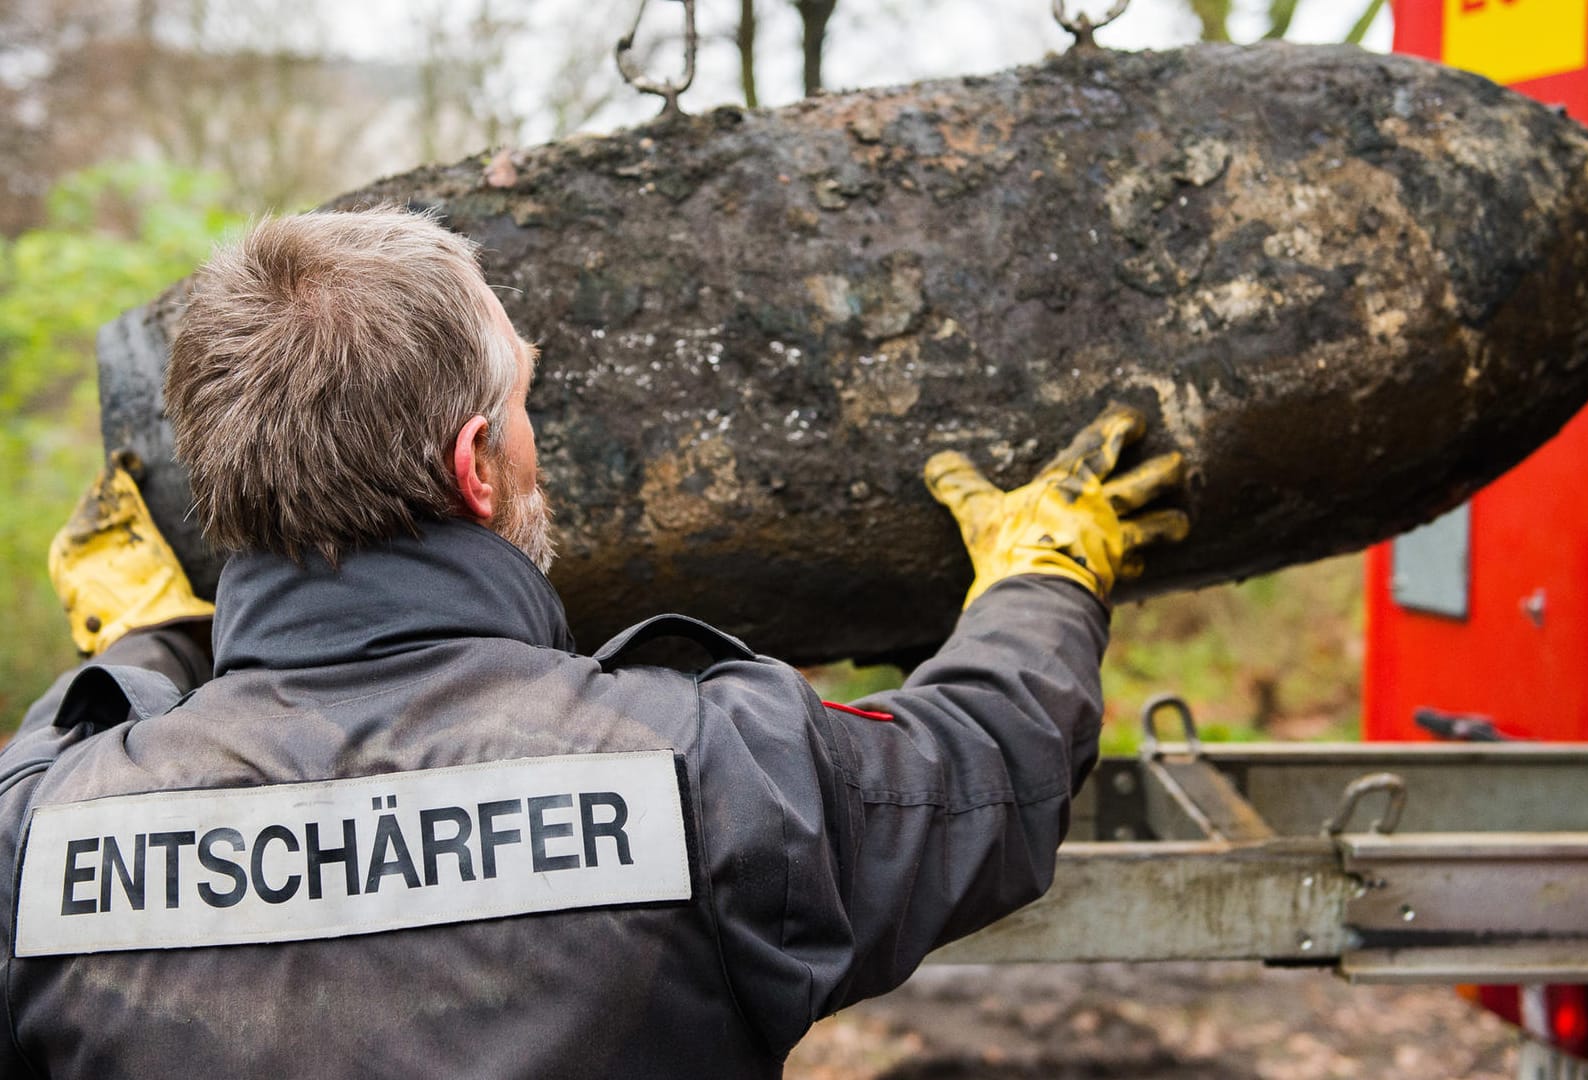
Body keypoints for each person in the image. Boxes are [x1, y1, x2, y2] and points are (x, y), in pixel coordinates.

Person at [0, 207, 1187, 1079]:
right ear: (475, 465)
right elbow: (984, 766)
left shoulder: (38, 840)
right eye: (523, 401)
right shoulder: (710, 774)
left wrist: (147, 650)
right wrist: (1046, 573)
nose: (534, 437)